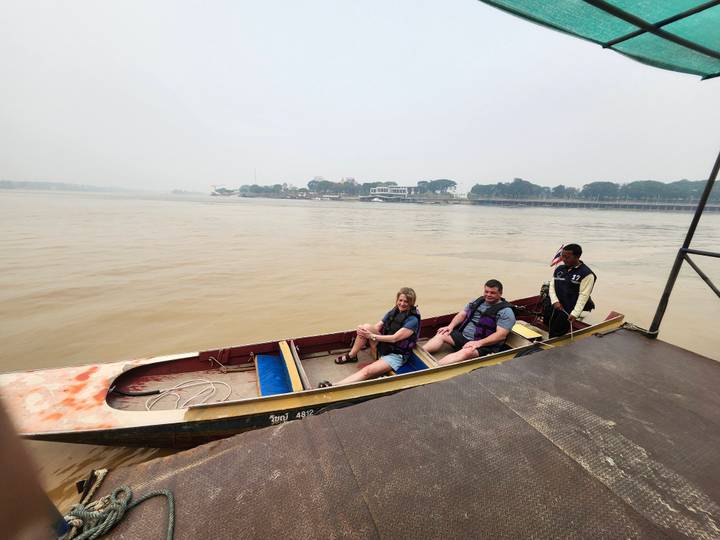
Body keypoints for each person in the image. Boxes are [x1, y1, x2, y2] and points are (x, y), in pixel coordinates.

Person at [318, 287, 420, 387]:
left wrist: (371, 336)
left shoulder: (412, 320)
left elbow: (394, 338)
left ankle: (334, 386)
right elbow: (378, 326)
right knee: (365, 327)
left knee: (367, 372)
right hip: (385, 346)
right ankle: (352, 356)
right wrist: (364, 333)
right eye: (400, 300)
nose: (402, 303)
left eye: (406, 301)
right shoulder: (394, 311)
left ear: (411, 303)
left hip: (396, 355)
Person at [422, 279, 516, 366]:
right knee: (442, 334)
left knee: (466, 352)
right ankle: (420, 354)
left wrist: (478, 343)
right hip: (463, 336)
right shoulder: (477, 301)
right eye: (486, 291)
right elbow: (462, 314)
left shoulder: (506, 312)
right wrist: (450, 326)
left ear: (500, 293)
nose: (488, 295)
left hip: (484, 345)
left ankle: (434, 367)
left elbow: (501, 335)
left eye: (492, 293)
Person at [544, 243, 596, 338]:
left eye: (567, 257)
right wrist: (555, 301)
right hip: (555, 305)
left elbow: (583, 296)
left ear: (578, 257)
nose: (563, 259)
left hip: (567, 309)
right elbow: (552, 286)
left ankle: (554, 348)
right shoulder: (560, 269)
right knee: (548, 323)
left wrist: (575, 313)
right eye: (562, 256)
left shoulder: (587, 274)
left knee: (557, 332)